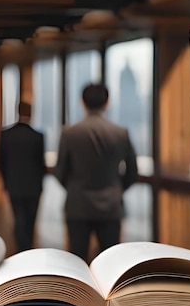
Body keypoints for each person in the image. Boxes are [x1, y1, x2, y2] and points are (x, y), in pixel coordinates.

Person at [54, 84, 138, 262]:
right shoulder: (120, 133)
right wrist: (116, 188)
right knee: (110, 262)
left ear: (82, 103)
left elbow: (60, 171)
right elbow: (132, 171)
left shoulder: (69, 133)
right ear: (107, 103)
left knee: (77, 261)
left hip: (78, 205)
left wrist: (73, 187)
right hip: (111, 206)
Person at [0, 102, 46, 252]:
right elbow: (41, 164)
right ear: (31, 113)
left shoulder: (6, 134)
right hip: (33, 185)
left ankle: (21, 247)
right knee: (31, 218)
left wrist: (5, 183)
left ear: (17, 112)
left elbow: (1, 162)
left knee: (19, 216)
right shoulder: (38, 136)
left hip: (14, 183)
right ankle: (28, 246)